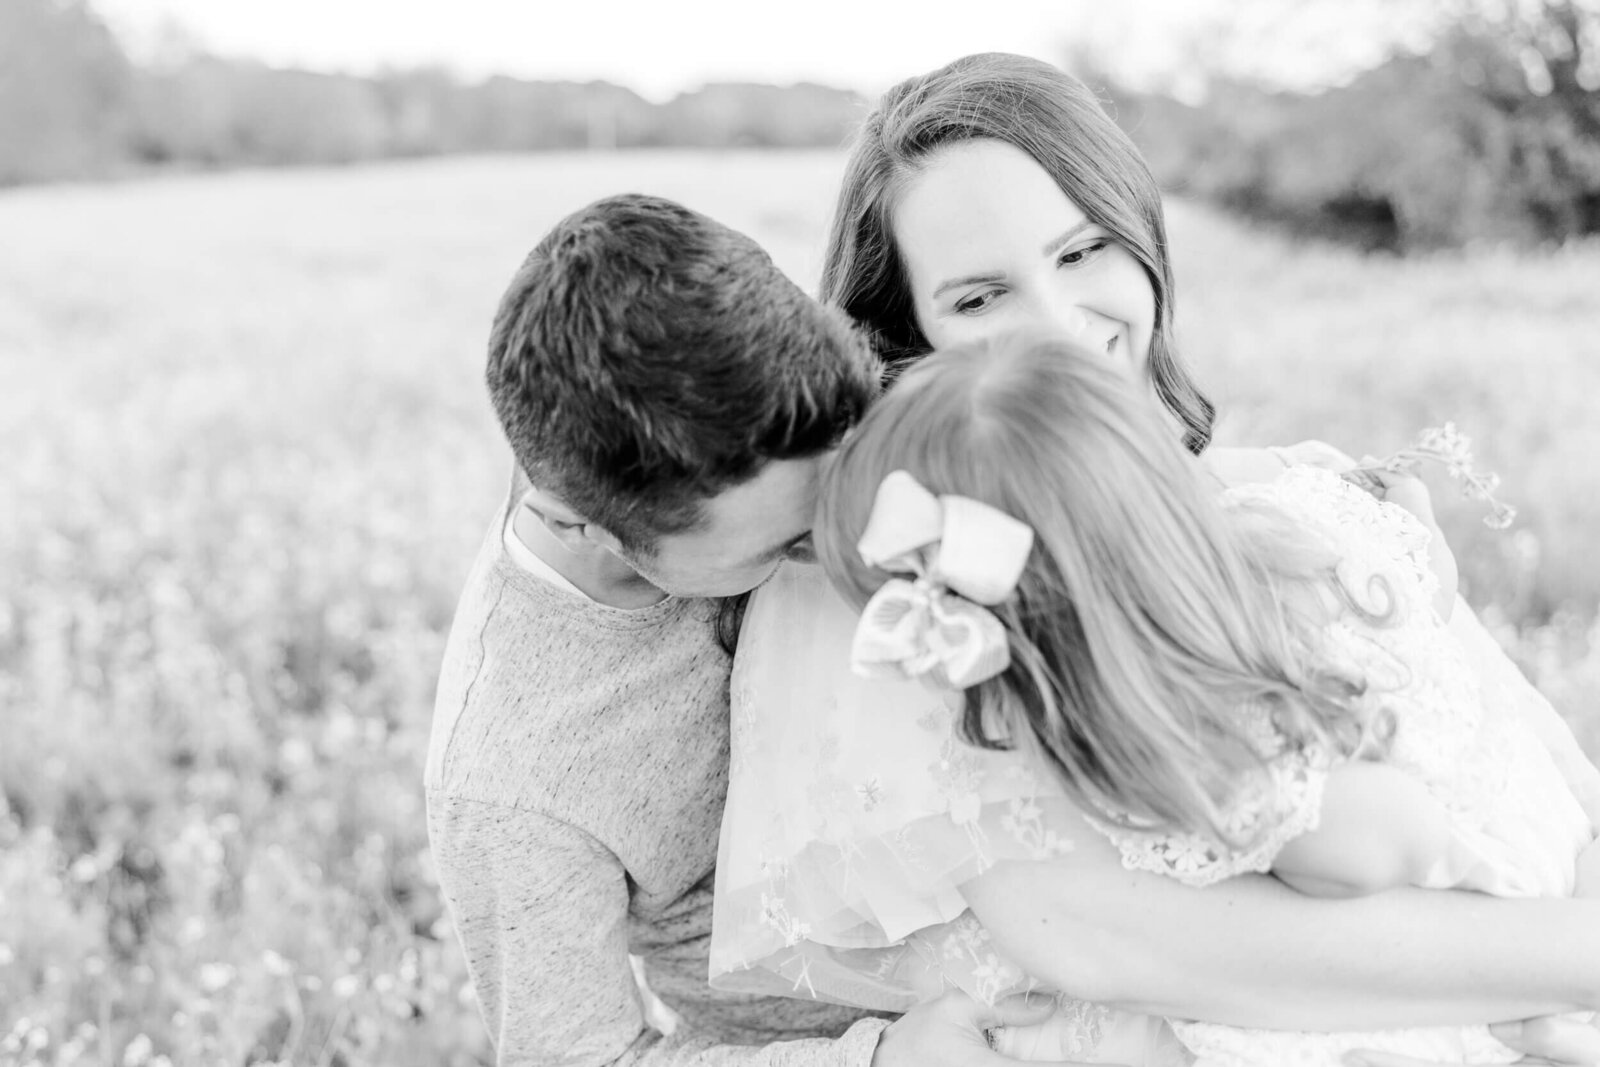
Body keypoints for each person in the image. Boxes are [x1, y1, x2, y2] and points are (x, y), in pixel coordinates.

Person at [710, 52, 1600, 1067]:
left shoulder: (1314, 499)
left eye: (1084, 249)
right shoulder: (911, 586)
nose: (1056, 323)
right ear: (904, 342)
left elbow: (1561, 782)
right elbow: (1122, 937)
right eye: (978, 297)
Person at [426, 193, 1061, 1066]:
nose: (838, 537)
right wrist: (874, 1061)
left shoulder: (779, 414)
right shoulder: (512, 775)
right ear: (583, 525)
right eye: (789, 543)